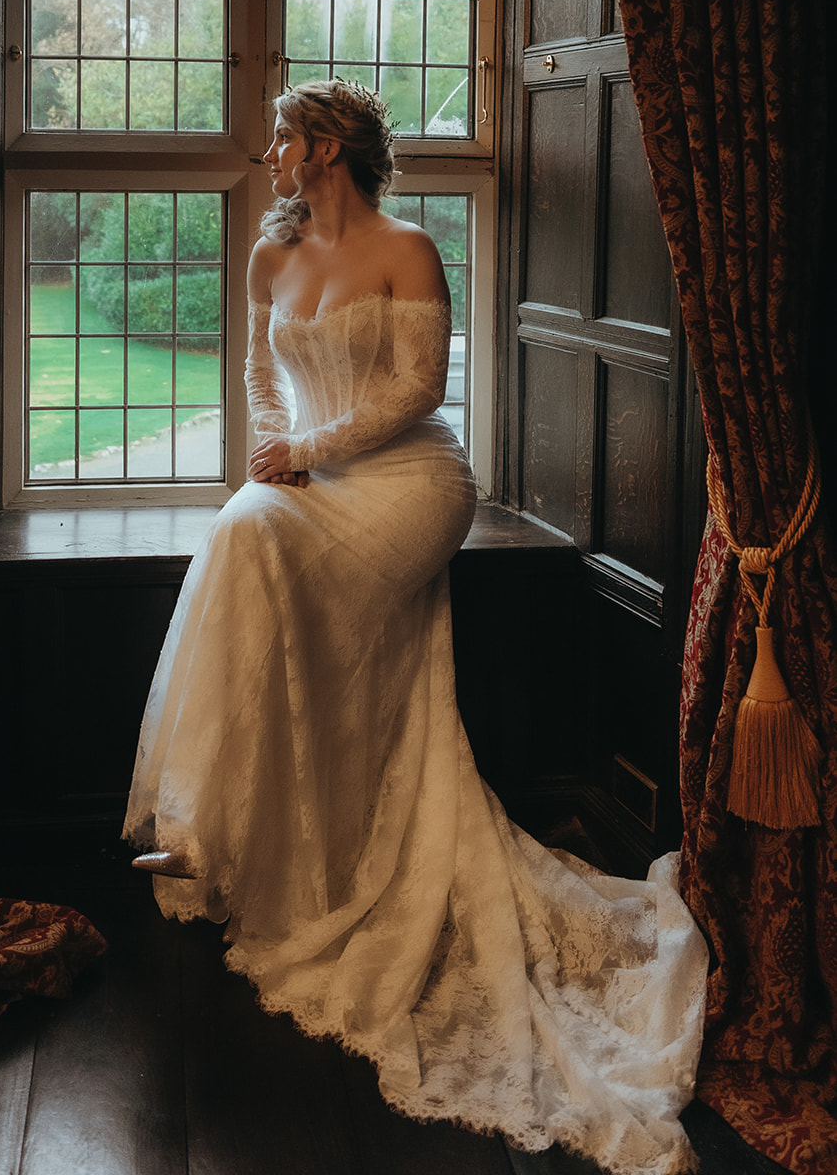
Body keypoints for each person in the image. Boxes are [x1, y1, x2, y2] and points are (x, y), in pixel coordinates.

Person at [124, 80, 708, 1175]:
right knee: (245, 533)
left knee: (259, 551)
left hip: (409, 485)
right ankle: (225, 835)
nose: (268, 152)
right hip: (307, 483)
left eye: (282, 137)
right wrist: (275, 457)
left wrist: (311, 449)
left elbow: (419, 389)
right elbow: (258, 378)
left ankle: (244, 836)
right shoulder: (269, 256)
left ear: (328, 147)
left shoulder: (407, 250)